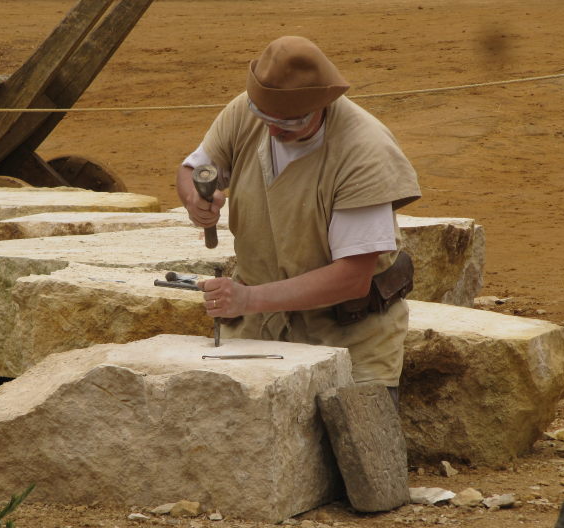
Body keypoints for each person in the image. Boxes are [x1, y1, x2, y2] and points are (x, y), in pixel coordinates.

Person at [176, 36, 420, 405]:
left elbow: (352, 278)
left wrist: (247, 298)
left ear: (321, 105)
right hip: (262, 330)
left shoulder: (364, 153)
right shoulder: (248, 110)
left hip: (348, 337)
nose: (272, 131)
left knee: (354, 457)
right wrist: (195, 200)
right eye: (265, 118)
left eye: (287, 123)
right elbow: (194, 168)